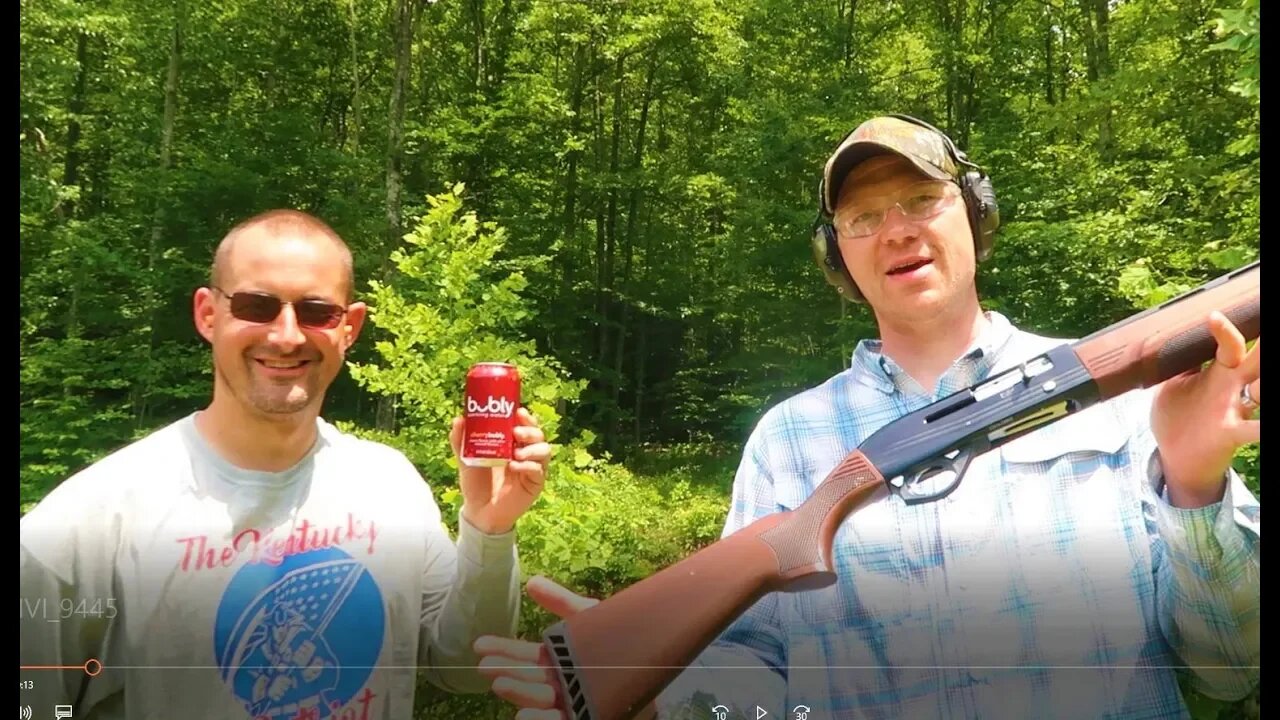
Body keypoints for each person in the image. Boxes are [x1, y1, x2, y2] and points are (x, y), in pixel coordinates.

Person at [471, 115, 1261, 719]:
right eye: (863, 217)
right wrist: (657, 690)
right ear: (836, 254)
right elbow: (758, 689)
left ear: (974, 217)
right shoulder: (789, 440)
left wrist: (1194, 484)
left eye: (923, 199)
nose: (897, 230)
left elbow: (1229, 670)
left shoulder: (1130, 408)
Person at [19, 209, 552, 719]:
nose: (287, 335)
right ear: (208, 313)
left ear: (350, 327)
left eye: (317, 312)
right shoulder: (81, 523)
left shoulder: (388, 484)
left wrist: (488, 528)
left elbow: (465, 668)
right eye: (257, 305)